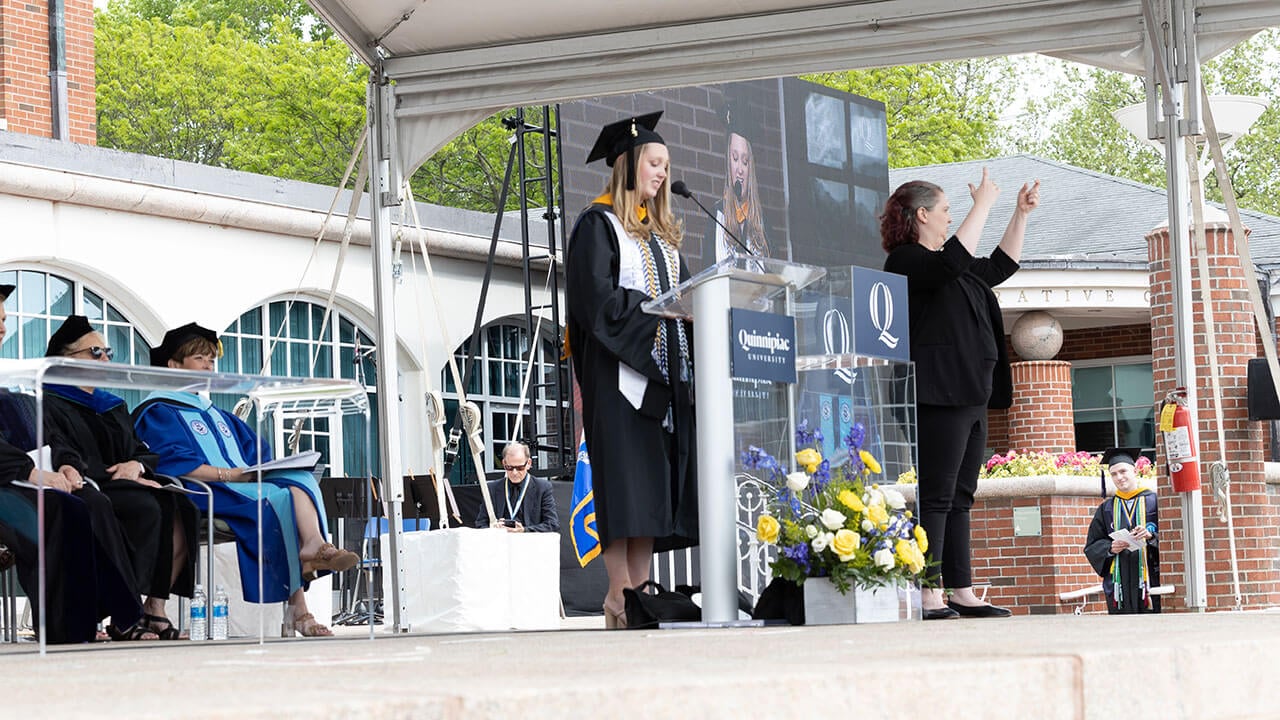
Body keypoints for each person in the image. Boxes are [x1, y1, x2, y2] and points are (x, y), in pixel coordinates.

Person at [881, 169, 1040, 620]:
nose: (952, 218)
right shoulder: (908, 261)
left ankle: (960, 589)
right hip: (937, 391)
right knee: (936, 494)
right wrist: (982, 205)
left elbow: (998, 267)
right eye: (947, 211)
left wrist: (1019, 214)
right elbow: (948, 264)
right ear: (923, 214)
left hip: (972, 391)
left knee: (961, 496)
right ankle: (928, 591)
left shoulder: (953, 261)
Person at [133, 322, 358, 637]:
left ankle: (315, 546)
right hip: (201, 491)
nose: (209, 365)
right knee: (278, 499)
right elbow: (171, 461)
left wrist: (274, 468)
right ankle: (300, 605)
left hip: (241, 487)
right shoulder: (159, 411)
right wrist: (232, 475)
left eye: (211, 359)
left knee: (297, 479)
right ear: (174, 365)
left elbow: (259, 455)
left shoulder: (219, 415)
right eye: (199, 359)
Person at [565, 111, 698, 629]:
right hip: (620, 376)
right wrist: (654, 310)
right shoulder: (599, 225)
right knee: (623, 488)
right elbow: (595, 302)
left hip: (662, 379)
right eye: (655, 162)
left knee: (648, 494)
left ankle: (639, 594)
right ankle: (618, 596)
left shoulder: (660, 234)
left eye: (666, 165)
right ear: (628, 164)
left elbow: (685, 297)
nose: (663, 173)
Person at [0, 286, 155, 642]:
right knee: (59, 508)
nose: (3, 328)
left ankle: (113, 614)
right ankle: (60, 625)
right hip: (7, 483)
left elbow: (47, 434)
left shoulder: (12, 385)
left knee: (93, 502)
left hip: (22, 479)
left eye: (5, 320)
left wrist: (68, 465)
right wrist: (34, 473)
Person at [43, 314, 198, 640]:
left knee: (182, 505)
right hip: (90, 484)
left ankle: (153, 607)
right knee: (145, 506)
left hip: (123, 483)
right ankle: (124, 613)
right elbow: (62, 453)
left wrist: (137, 468)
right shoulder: (50, 401)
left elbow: (140, 449)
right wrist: (122, 476)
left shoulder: (112, 405)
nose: (105, 358)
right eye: (95, 352)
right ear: (65, 360)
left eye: (108, 352)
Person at [1084, 447, 1161, 614]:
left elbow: (1174, 540)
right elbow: (1092, 545)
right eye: (1113, 474)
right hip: (1119, 584)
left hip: (1149, 581)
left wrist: (1151, 537)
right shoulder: (1107, 508)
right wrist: (1110, 548)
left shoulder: (1154, 502)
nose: (1119, 477)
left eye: (1123, 471)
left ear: (1134, 470)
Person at [709, 98, 769, 260]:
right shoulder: (716, 218)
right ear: (728, 164)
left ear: (751, 168)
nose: (740, 170)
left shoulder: (763, 224)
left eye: (745, 161)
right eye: (735, 159)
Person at [473, 441, 560, 533]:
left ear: (529, 463)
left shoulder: (542, 488)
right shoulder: (492, 488)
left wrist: (524, 530)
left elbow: (552, 524)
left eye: (520, 468)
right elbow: (480, 524)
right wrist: (493, 529)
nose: (514, 473)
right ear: (503, 463)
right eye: (509, 467)